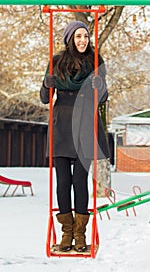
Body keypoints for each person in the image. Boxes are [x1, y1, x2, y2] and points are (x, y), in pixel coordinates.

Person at [40, 21, 110, 252]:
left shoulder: (95, 61)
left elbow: (103, 97)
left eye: (86, 36)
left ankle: (80, 234)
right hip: (62, 124)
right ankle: (66, 234)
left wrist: (100, 86)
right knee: (63, 182)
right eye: (78, 36)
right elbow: (44, 98)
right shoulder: (57, 62)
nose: (83, 40)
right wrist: (46, 84)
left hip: (85, 122)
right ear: (70, 38)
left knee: (80, 180)